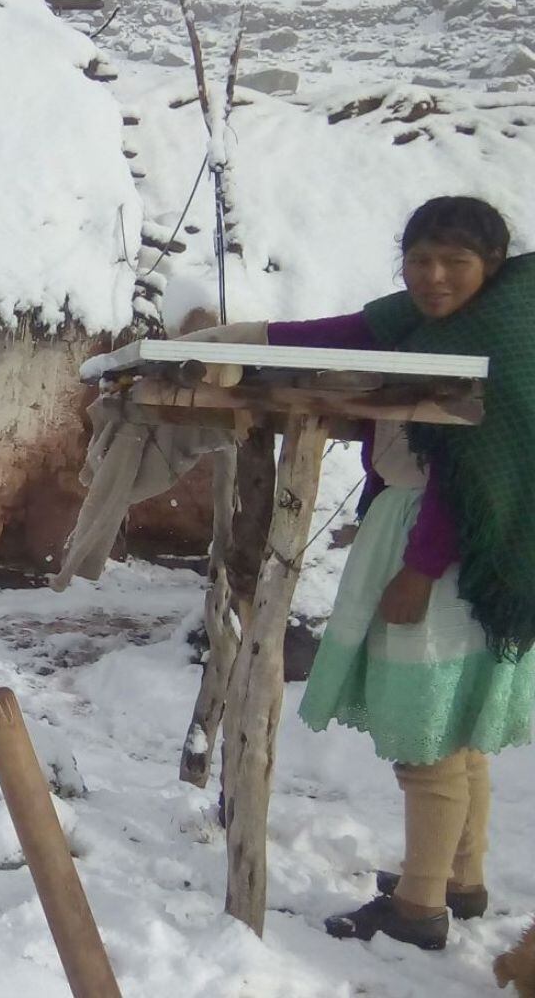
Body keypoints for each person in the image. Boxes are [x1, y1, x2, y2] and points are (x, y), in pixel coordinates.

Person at [190, 197, 534, 949]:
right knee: (456, 722)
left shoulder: (496, 345)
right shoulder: (434, 323)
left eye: (455, 262)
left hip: (436, 547)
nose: (434, 276)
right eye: (419, 260)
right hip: (439, 542)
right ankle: (458, 878)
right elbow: (344, 333)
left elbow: (468, 475)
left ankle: (418, 909)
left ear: (494, 266)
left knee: (425, 731)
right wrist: (248, 338)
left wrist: (419, 568)